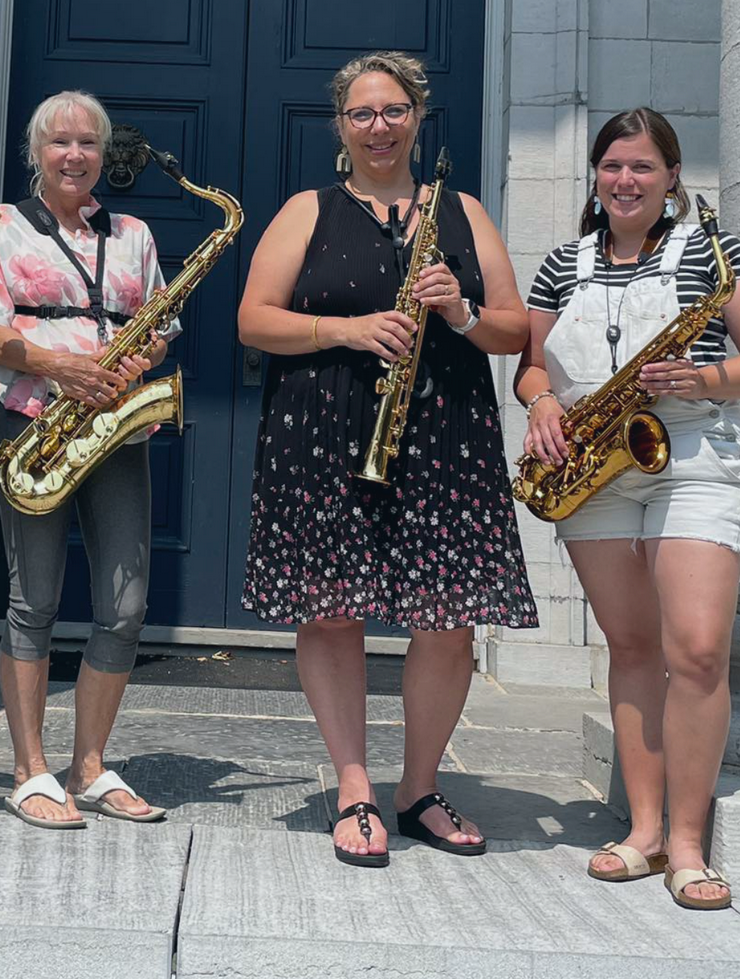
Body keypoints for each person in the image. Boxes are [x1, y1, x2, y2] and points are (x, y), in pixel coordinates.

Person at [239, 51, 537, 867]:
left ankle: (419, 788)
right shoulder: (308, 210)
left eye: (394, 110)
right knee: (332, 610)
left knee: (446, 619)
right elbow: (253, 320)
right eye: (363, 113)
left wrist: (464, 310)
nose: (379, 126)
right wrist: (346, 329)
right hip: (325, 435)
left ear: (418, 116)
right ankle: (354, 787)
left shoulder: (465, 212)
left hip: (444, 436)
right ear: (341, 125)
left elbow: (516, 333)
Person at [514, 107, 740, 911]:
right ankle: (641, 833)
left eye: (642, 167)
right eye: (611, 167)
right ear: (594, 178)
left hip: (695, 456)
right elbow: (532, 365)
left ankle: (689, 845)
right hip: (596, 463)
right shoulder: (562, 265)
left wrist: (702, 379)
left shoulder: (717, 254)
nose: (625, 181)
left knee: (699, 652)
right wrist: (539, 405)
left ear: (673, 177)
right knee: (632, 647)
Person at [0, 90, 177, 829]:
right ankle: (29, 769)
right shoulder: (2, 229)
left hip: (116, 431)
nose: (75, 155)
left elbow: (159, 323)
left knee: (125, 606)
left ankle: (91, 766)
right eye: (60, 143)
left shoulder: (136, 232)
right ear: (36, 153)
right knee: (34, 599)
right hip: (33, 426)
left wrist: (141, 358)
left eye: (88, 143)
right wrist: (60, 367)